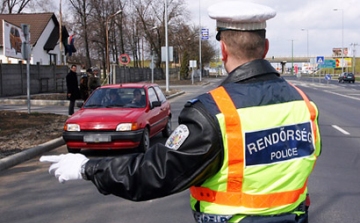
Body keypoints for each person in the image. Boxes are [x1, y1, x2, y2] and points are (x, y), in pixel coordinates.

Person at [40, 2, 321, 222]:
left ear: (222, 50)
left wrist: (88, 167)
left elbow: (154, 173)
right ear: (266, 48)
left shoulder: (214, 112)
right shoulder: (303, 103)